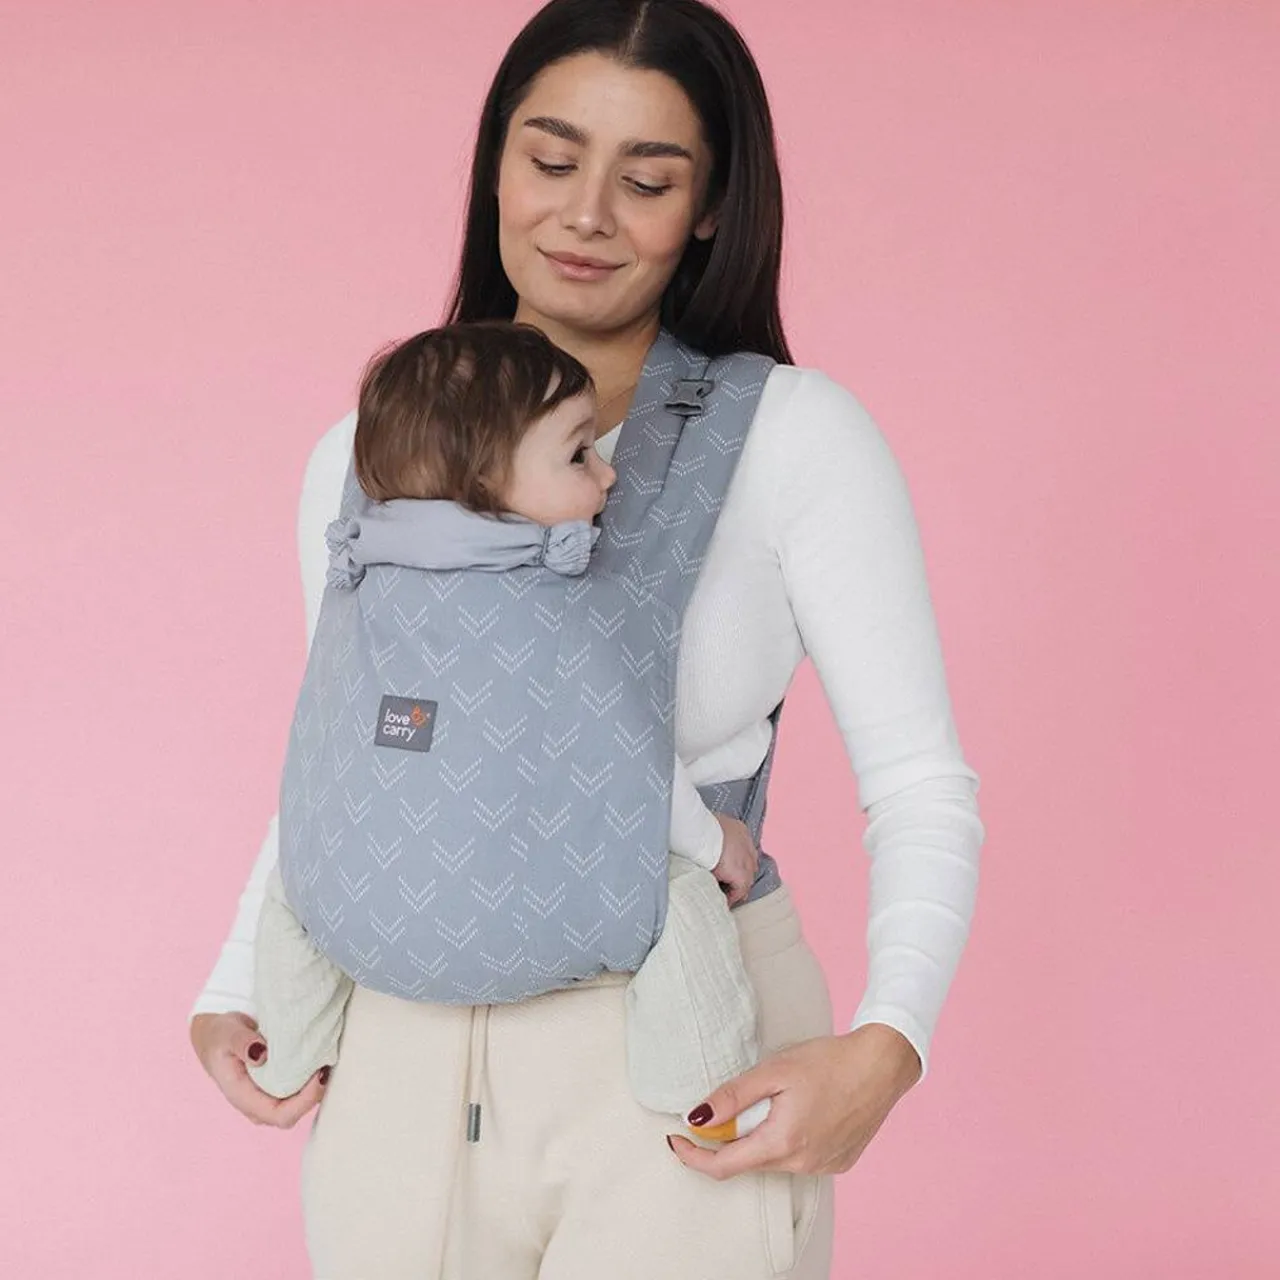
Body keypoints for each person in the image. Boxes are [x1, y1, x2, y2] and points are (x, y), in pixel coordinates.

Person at [190, 1, 985, 1275]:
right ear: (495, 164)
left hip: (678, 1045)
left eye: (647, 181)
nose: (584, 215)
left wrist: (887, 1047)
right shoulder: (364, 453)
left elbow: (918, 782)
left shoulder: (790, 438)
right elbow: (353, 753)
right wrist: (234, 980)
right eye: (551, 160)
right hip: (396, 1045)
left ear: (709, 207)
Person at [250, 319, 768, 1130]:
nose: (608, 472)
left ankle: (284, 1057)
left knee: (294, 889)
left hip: (355, 920)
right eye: (579, 455)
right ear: (485, 479)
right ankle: (700, 1094)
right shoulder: (557, 602)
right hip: (528, 924)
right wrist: (714, 846)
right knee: (681, 899)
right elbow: (630, 765)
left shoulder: (360, 578)